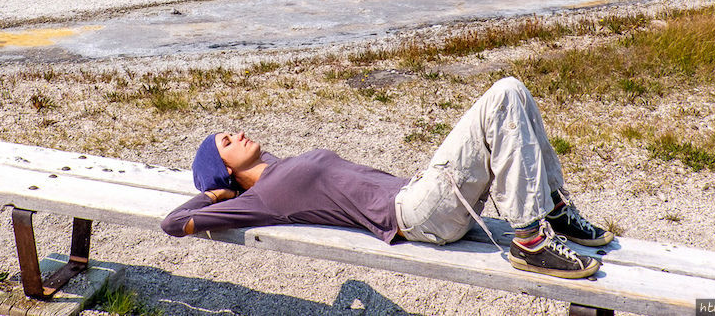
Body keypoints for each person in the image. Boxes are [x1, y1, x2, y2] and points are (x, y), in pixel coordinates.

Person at [161, 77, 610, 279]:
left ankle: (552, 209)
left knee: (517, 95)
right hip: (416, 213)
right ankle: (530, 241)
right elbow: (173, 224)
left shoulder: (277, 170)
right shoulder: (260, 199)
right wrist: (215, 194)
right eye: (225, 141)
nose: (237, 133)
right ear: (225, 170)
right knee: (504, 94)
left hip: (421, 197)